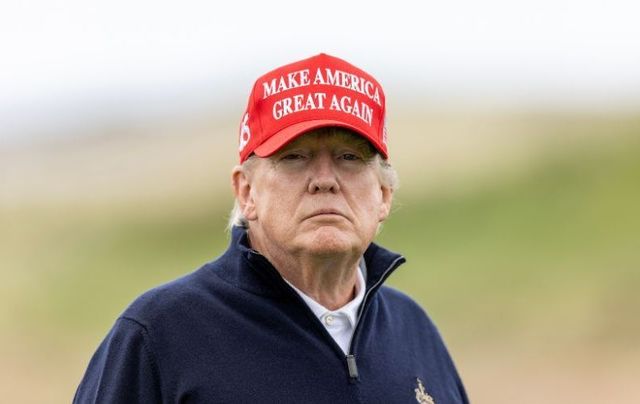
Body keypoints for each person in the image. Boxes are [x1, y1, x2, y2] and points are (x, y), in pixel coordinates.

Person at [74, 53, 469, 403]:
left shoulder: (413, 331)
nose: (324, 180)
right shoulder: (160, 336)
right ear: (246, 192)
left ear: (383, 195)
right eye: (295, 157)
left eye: (350, 156)